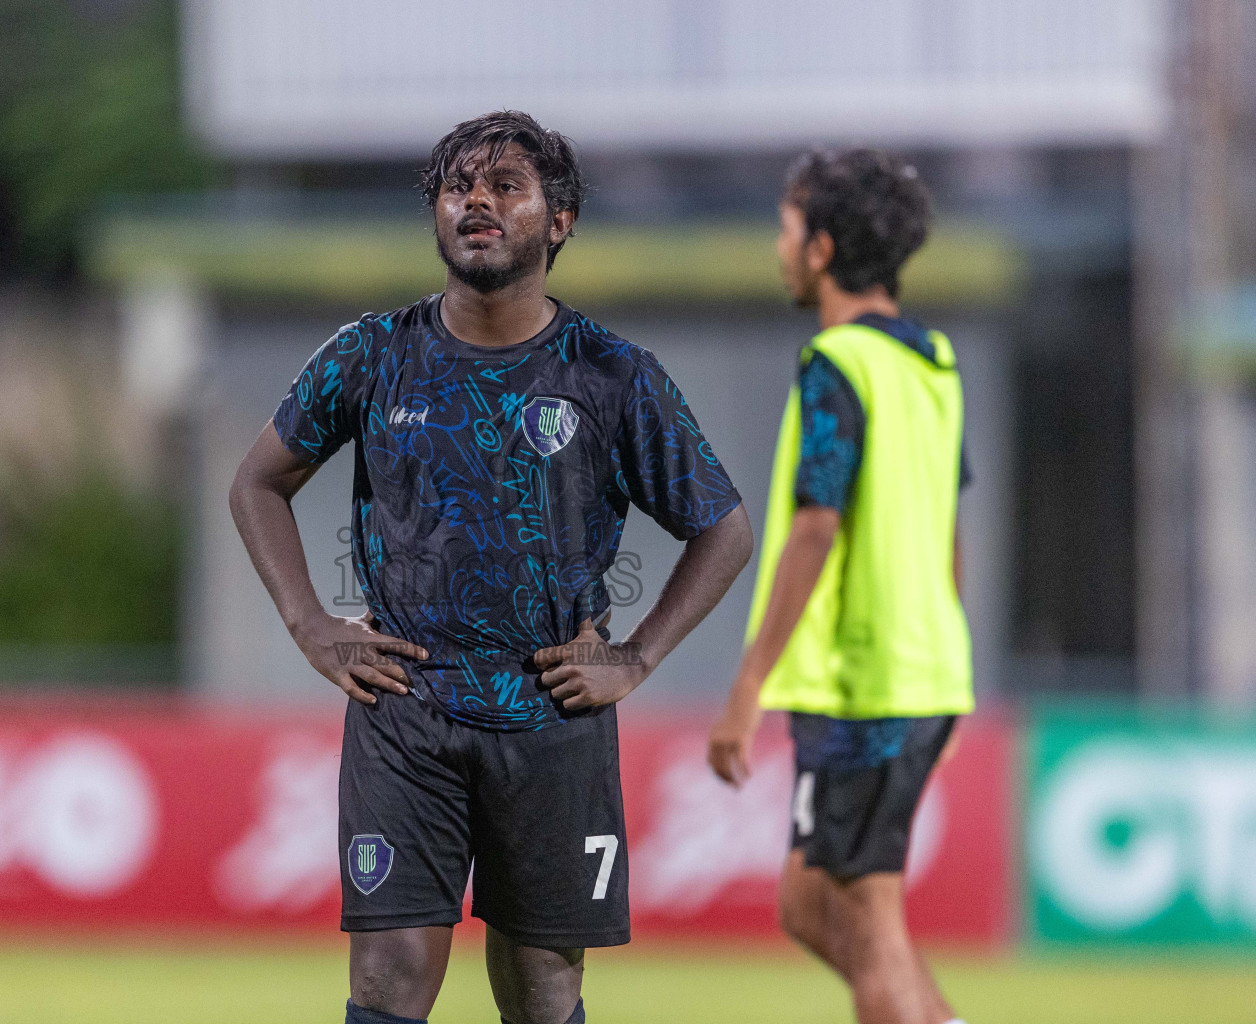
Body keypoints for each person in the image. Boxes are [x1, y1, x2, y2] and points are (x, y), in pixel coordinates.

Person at [230, 110, 754, 1024]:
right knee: (388, 977)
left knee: (544, 990)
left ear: (560, 221)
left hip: (552, 716)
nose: (476, 201)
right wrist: (310, 623)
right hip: (407, 712)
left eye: (505, 186)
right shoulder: (372, 353)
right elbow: (256, 484)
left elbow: (724, 528)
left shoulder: (612, 375)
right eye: (457, 186)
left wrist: (636, 656)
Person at [706, 148, 973, 1024]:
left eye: (787, 230)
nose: (779, 248)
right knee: (811, 904)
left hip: (865, 681)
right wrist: (947, 674)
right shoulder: (931, 363)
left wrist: (748, 685)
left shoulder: (838, 365)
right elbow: (946, 529)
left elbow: (817, 524)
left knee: (869, 925)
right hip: (921, 671)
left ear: (821, 249)